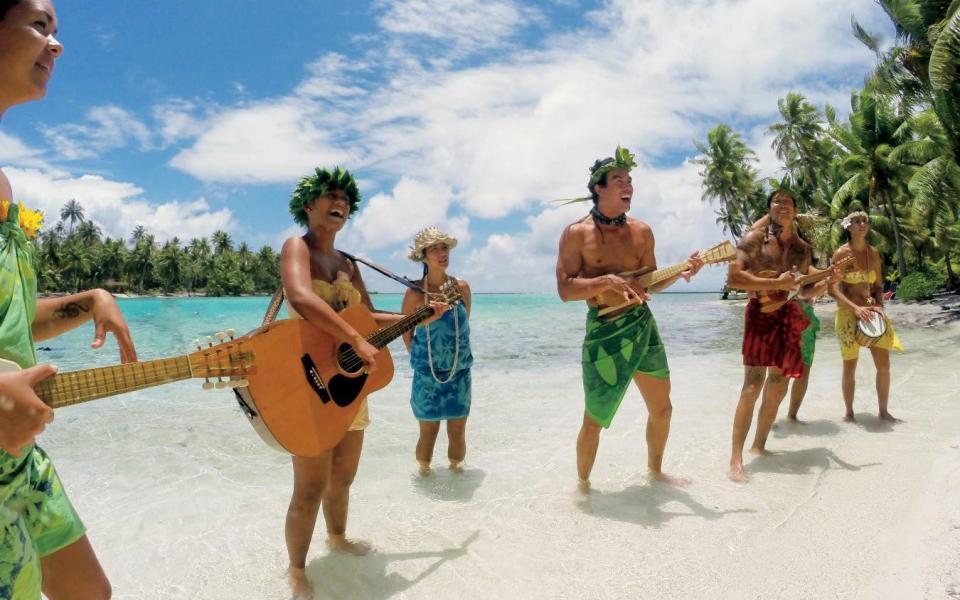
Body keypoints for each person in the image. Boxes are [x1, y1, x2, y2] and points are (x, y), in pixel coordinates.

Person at [2, 2, 139, 598]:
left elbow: (10, 320)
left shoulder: (4, 183)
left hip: (16, 458)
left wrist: (88, 301)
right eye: (39, 25)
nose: (56, 46)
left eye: (55, 30)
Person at [280, 166, 447, 599]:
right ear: (308, 205)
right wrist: (354, 337)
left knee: (343, 475)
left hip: (349, 385)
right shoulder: (296, 248)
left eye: (346, 199)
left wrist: (421, 315)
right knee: (310, 485)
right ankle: (296, 570)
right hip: (308, 382)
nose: (340, 204)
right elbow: (300, 297)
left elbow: (367, 318)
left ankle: (337, 538)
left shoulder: (350, 264)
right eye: (330, 196)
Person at [555, 146, 703, 492]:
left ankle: (656, 473)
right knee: (595, 418)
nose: (628, 186)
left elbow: (651, 281)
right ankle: (583, 488)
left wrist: (682, 271)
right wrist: (605, 281)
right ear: (599, 189)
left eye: (630, 180)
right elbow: (565, 290)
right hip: (605, 332)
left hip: (642, 324)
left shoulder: (642, 232)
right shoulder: (576, 233)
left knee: (663, 410)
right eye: (619, 180)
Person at [726, 189, 836, 482]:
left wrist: (827, 283)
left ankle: (759, 446)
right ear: (769, 209)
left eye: (788, 202)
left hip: (787, 315)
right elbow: (734, 278)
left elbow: (804, 291)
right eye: (777, 201)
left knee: (777, 386)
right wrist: (775, 281)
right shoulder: (753, 240)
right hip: (760, 314)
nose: (783, 205)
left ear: (795, 210)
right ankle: (736, 459)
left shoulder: (801, 249)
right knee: (752, 385)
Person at [401, 227, 473, 476]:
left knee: (458, 431)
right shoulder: (415, 293)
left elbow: (462, 326)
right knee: (428, 432)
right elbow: (405, 331)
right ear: (423, 256)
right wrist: (420, 360)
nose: (442, 253)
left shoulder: (461, 287)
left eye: (445, 248)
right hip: (427, 374)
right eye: (435, 249)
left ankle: (457, 477)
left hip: (459, 371)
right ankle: (424, 476)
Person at [748, 214, 828, 422]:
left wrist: (830, 280)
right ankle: (769, 418)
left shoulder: (806, 256)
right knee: (774, 374)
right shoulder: (771, 255)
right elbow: (750, 231)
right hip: (778, 317)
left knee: (804, 369)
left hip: (805, 317)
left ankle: (792, 417)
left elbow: (812, 291)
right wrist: (774, 213)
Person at [828, 210, 903, 422]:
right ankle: (849, 413)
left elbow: (878, 286)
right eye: (856, 221)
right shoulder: (841, 254)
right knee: (849, 365)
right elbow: (832, 289)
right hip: (847, 312)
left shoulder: (874, 253)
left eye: (864, 221)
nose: (861, 224)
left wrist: (879, 305)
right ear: (848, 227)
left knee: (884, 365)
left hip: (872, 311)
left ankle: (884, 412)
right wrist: (855, 308)